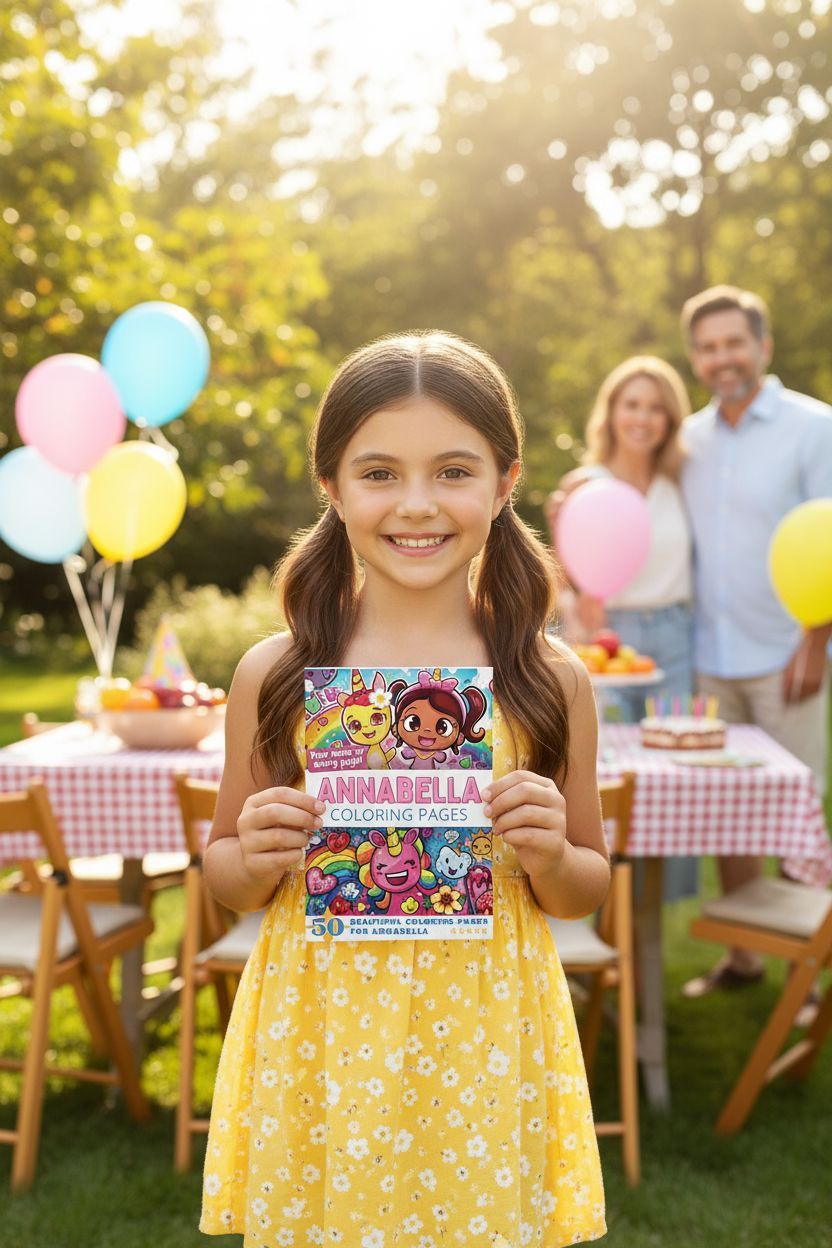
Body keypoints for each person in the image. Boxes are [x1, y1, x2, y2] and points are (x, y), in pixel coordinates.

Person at [199, 331, 610, 1246]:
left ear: (505, 484)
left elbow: (588, 890)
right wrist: (253, 849)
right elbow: (225, 873)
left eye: (453, 471)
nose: (416, 504)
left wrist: (550, 850)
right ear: (331, 487)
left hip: (485, 1031)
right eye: (379, 472)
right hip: (322, 1031)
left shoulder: (548, 678)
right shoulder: (277, 674)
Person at [679, 286, 832, 998]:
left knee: (798, 812)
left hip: (787, 655)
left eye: (734, 343)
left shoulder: (813, 426)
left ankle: (810, 981)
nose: (722, 359)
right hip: (710, 657)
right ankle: (743, 962)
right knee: (726, 812)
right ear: (695, 358)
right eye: (708, 348)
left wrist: (815, 640)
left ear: (763, 347)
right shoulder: (691, 438)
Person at [545, 356, 694, 723]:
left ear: (671, 418)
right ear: (611, 412)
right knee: (610, 755)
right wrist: (576, 608)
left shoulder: (680, 480)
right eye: (632, 405)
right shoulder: (583, 484)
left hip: (676, 635)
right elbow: (561, 568)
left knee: (672, 753)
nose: (642, 418)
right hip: (607, 635)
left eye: (656, 408)